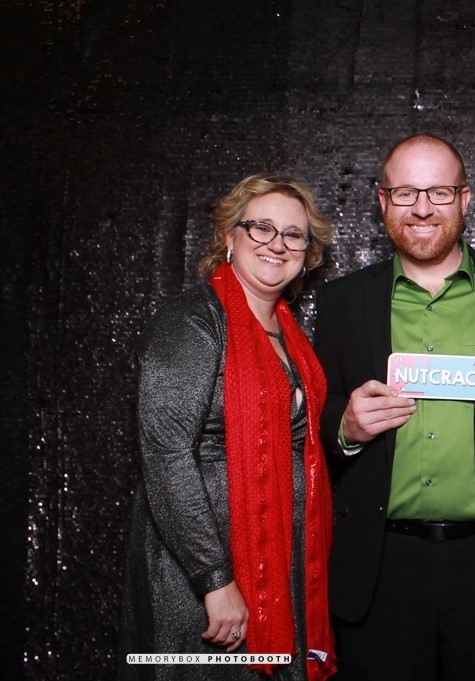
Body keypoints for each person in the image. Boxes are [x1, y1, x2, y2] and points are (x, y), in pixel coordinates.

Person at [313, 133, 475, 681]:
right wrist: (344, 426)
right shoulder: (343, 301)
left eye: (439, 192)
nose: (422, 208)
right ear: (382, 202)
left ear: (465, 199)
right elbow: (316, 411)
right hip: (380, 567)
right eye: (405, 193)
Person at [118, 173, 337, 680]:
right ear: (228, 236)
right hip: (199, 570)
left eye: (293, 234)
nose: (277, 244)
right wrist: (213, 578)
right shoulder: (192, 321)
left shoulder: (287, 332)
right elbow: (167, 454)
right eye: (261, 227)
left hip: (276, 562)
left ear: (306, 252)